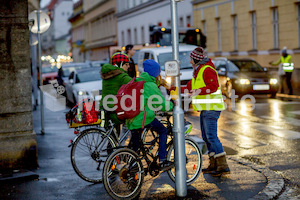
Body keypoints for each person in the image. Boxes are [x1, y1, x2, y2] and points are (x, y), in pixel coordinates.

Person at [186, 47, 230, 176]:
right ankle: (214, 163)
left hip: (212, 108)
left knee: (211, 136)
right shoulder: (199, 71)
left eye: (190, 59)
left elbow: (213, 86)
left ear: (195, 59)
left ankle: (223, 165)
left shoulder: (207, 69)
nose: (190, 62)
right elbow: (190, 86)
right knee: (206, 137)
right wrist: (174, 87)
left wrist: (199, 91)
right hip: (206, 108)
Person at [127, 59, 174, 171]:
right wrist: (173, 105)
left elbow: (154, 84)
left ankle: (133, 168)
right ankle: (162, 160)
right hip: (142, 118)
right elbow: (162, 104)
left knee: (137, 147)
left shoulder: (139, 80)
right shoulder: (150, 86)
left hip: (132, 118)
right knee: (163, 131)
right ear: (155, 73)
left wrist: (163, 84)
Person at [100, 52, 132, 133]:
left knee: (113, 139)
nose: (128, 66)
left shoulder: (107, 74)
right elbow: (135, 83)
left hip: (105, 107)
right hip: (115, 110)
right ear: (120, 64)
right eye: (126, 64)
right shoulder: (121, 76)